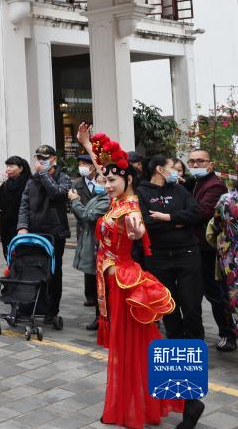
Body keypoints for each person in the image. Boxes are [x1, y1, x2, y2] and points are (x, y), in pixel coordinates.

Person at [75, 125, 201, 429]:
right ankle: (180, 400)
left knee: (141, 346)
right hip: (114, 282)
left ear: (128, 179)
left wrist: (138, 231)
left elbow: (138, 227)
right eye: (103, 179)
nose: (106, 184)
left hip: (125, 282)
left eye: (111, 180)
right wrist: (86, 144)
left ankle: (187, 400)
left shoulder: (130, 206)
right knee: (137, 346)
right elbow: (108, 170)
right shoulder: (118, 197)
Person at [134, 155, 204, 340]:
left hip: (187, 253)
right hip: (158, 257)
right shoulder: (141, 192)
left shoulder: (180, 190)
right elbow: (147, 222)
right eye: (173, 167)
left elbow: (196, 213)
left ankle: (195, 347)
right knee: (167, 305)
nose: (176, 171)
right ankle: (176, 344)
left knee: (191, 306)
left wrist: (168, 218)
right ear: (160, 169)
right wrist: (180, 220)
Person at [16, 144, 72, 330]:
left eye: (45, 158)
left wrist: (44, 175)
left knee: (54, 272)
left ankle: (52, 310)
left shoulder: (63, 177)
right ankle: (31, 306)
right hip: (34, 233)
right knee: (33, 268)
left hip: (55, 233)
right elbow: (24, 205)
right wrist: (22, 227)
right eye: (38, 158)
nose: (41, 161)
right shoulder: (31, 181)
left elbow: (58, 193)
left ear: (54, 159)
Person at [188, 148, 236, 352]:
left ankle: (228, 333)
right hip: (211, 250)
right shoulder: (199, 182)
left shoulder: (217, 188)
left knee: (218, 294)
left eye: (200, 161)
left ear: (211, 164)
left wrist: (174, 217)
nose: (195, 165)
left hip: (216, 252)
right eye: (192, 161)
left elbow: (206, 216)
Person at [69, 173, 110, 330]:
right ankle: (99, 317)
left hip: (99, 246)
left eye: (103, 182)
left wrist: (75, 201)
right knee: (97, 284)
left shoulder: (106, 200)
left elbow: (88, 216)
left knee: (102, 285)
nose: (100, 184)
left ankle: (102, 318)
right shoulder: (96, 198)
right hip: (90, 244)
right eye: (98, 181)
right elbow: (83, 215)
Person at [207, 191, 238, 346]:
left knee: (231, 299)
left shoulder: (226, 199)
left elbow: (217, 223)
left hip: (231, 258)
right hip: (231, 258)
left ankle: (231, 336)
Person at [0, 156, 30, 258]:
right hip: (6, 222)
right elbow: (3, 201)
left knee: (20, 251)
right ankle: (11, 270)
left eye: (11, 166)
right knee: (8, 251)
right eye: (7, 166)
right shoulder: (6, 183)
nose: (8, 168)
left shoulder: (28, 183)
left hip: (20, 222)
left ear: (21, 168)